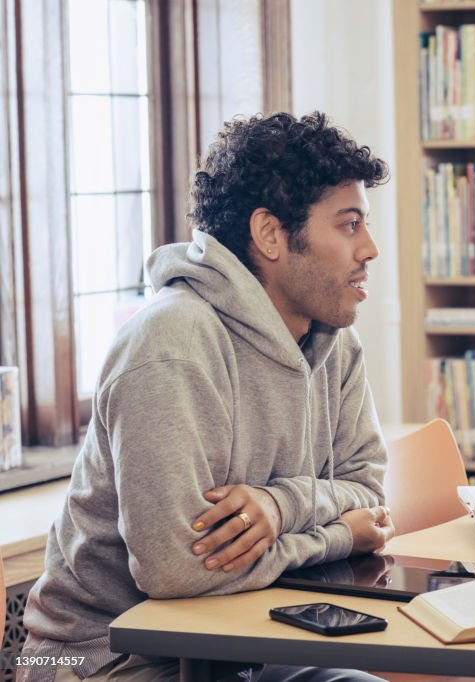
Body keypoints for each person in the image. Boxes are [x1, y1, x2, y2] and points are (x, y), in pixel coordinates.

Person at [18, 112, 395, 682]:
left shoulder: (335, 338)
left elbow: (368, 491)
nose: (369, 248)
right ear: (270, 234)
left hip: (245, 644)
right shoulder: (171, 345)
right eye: (348, 225)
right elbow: (180, 572)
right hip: (109, 660)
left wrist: (279, 506)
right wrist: (341, 533)